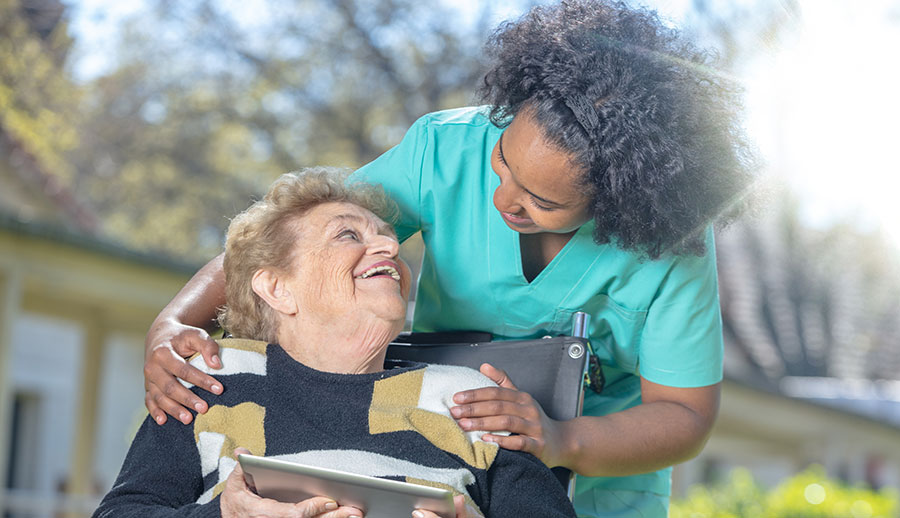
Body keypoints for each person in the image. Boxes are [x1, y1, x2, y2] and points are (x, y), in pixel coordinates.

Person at [141, 1, 755, 515]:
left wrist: (561, 437)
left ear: (621, 204)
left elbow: (684, 414)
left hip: (601, 464)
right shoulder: (448, 149)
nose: (503, 199)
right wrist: (174, 320)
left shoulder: (666, 246)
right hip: (445, 426)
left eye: (540, 200)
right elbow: (289, 237)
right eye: (505, 161)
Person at [97, 168, 577, 518]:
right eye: (348, 234)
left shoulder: (465, 398)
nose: (391, 248)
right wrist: (223, 516)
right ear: (277, 288)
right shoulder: (212, 380)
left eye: (389, 239)